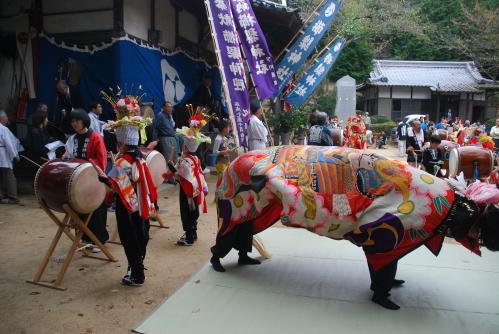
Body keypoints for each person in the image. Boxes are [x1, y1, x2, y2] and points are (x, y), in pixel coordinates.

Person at [96, 99, 157, 286]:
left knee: (129, 238)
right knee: (140, 235)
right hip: (142, 203)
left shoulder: (122, 162)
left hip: (128, 207)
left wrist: (101, 176)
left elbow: (115, 185)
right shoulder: (141, 157)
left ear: (121, 143)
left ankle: (137, 274)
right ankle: (136, 266)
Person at [63, 109, 109, 247]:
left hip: (94, 178)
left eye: (77, 121)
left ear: (84, 120)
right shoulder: (73, 138)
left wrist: (87, 168)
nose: (75, 124)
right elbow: (70, 156)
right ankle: (86, 239)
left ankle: (100, 240)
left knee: (96, 210)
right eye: (72, 122)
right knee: (81, 208)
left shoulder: (95, 137)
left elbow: (102, 161)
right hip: (79, 180)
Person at [165, 113, 210, 246]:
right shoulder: (195, 158)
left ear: (186, 146)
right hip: (195, 188)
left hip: (187, 191)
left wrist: (172, 168)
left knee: (187, 212)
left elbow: (181, 178)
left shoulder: (185, 160)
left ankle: (189, 236)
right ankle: (193, 233)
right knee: (194, 210)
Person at [0, 111, 20, 204]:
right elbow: (9, 144)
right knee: (9, 176)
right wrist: (15, 155)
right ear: (2, 118)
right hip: (3, 155)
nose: (7, 119)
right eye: (6, 117)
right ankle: (13, 197)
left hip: (2, 153)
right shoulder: (3, 129)